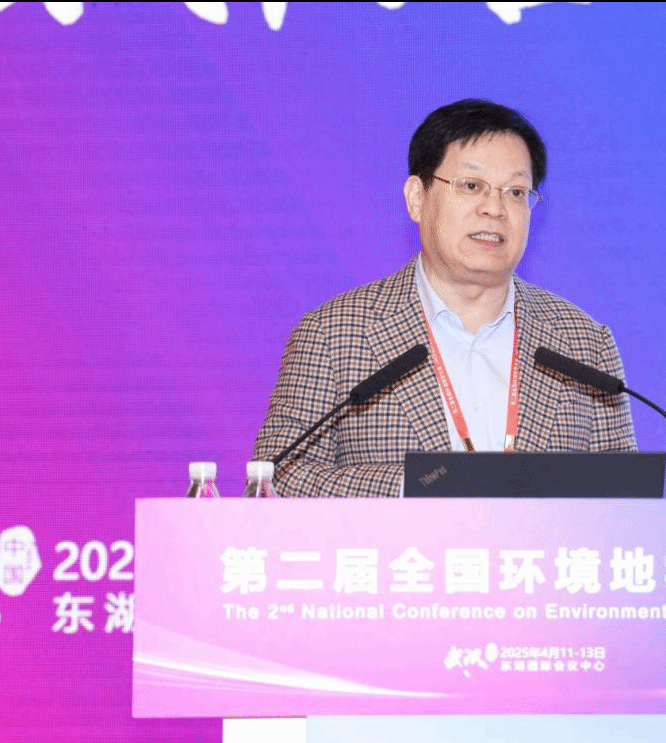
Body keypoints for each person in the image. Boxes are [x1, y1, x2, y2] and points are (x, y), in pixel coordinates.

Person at [252, 98, 636, 497]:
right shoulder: (333, 334)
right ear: (417, 198)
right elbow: (274, 478)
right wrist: (421, 486)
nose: (495, 209)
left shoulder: (584, 343)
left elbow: (627, 495)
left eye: (516, 192)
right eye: (471, 186)